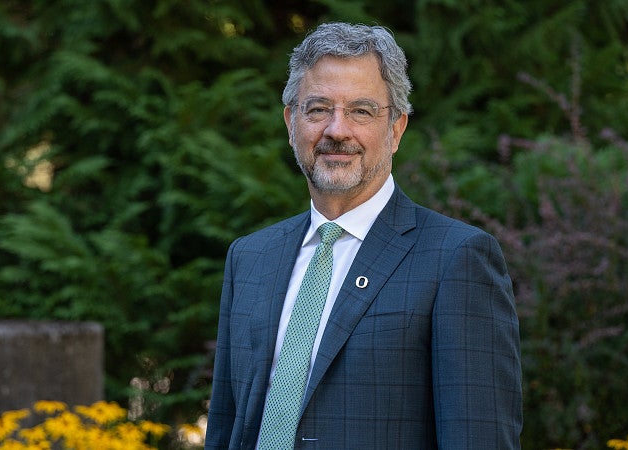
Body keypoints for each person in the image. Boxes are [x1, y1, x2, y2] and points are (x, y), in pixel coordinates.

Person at [204, 22, 522, 449]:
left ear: (396, 129)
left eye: (361, 111)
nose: (337, 130)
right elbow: (226, 430)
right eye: (317, 109)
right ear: (291, 122)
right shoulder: (249, 258)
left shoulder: (457, 259)